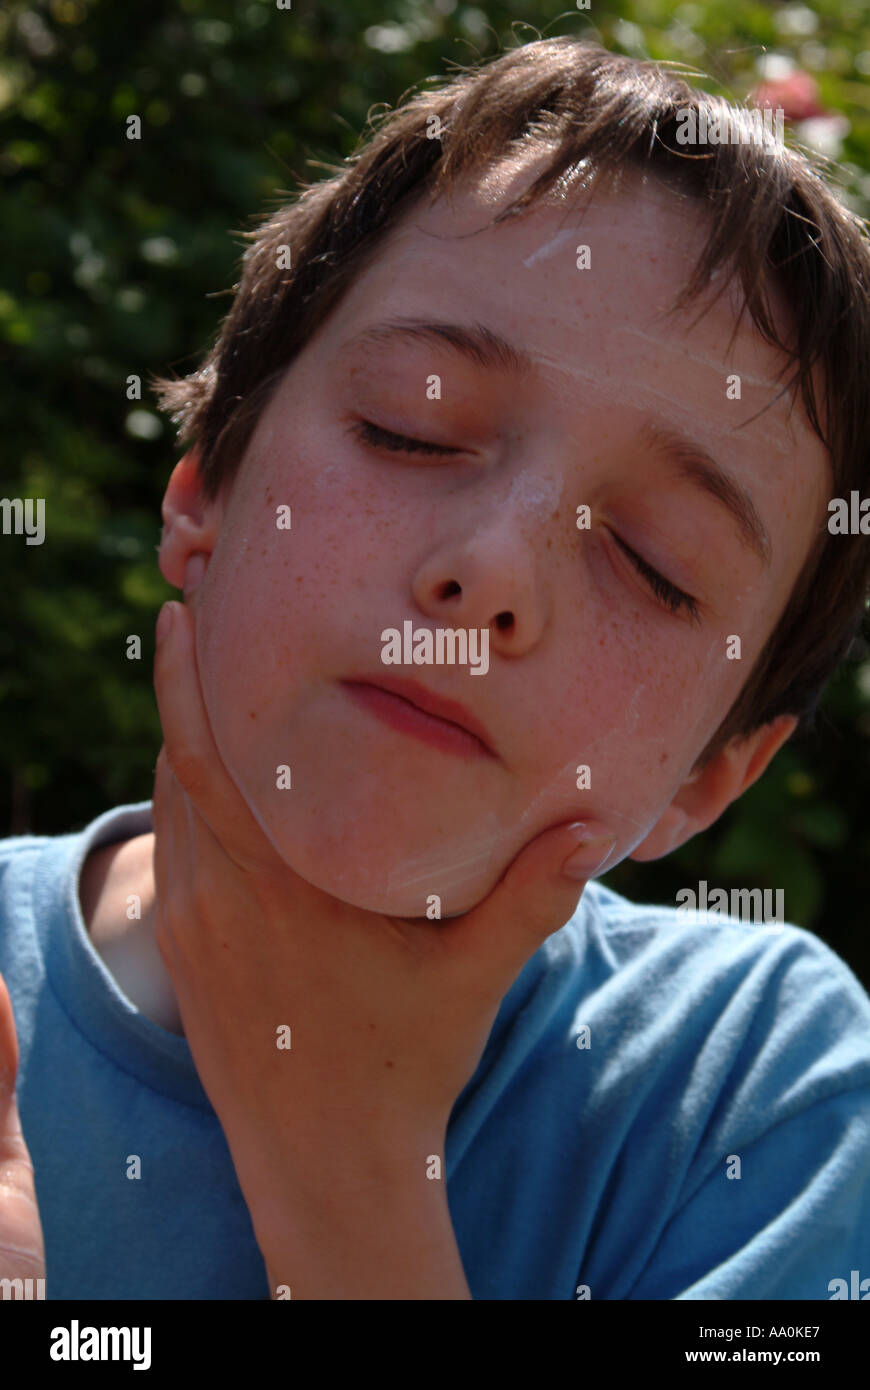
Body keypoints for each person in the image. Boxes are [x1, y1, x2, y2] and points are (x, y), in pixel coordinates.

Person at [2, 36, 869, 1300]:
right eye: (410, 424)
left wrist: (342, 1162)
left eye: (654, 561)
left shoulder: (755, 1091)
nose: (494, 576)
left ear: (713, 775)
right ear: (206, 493)